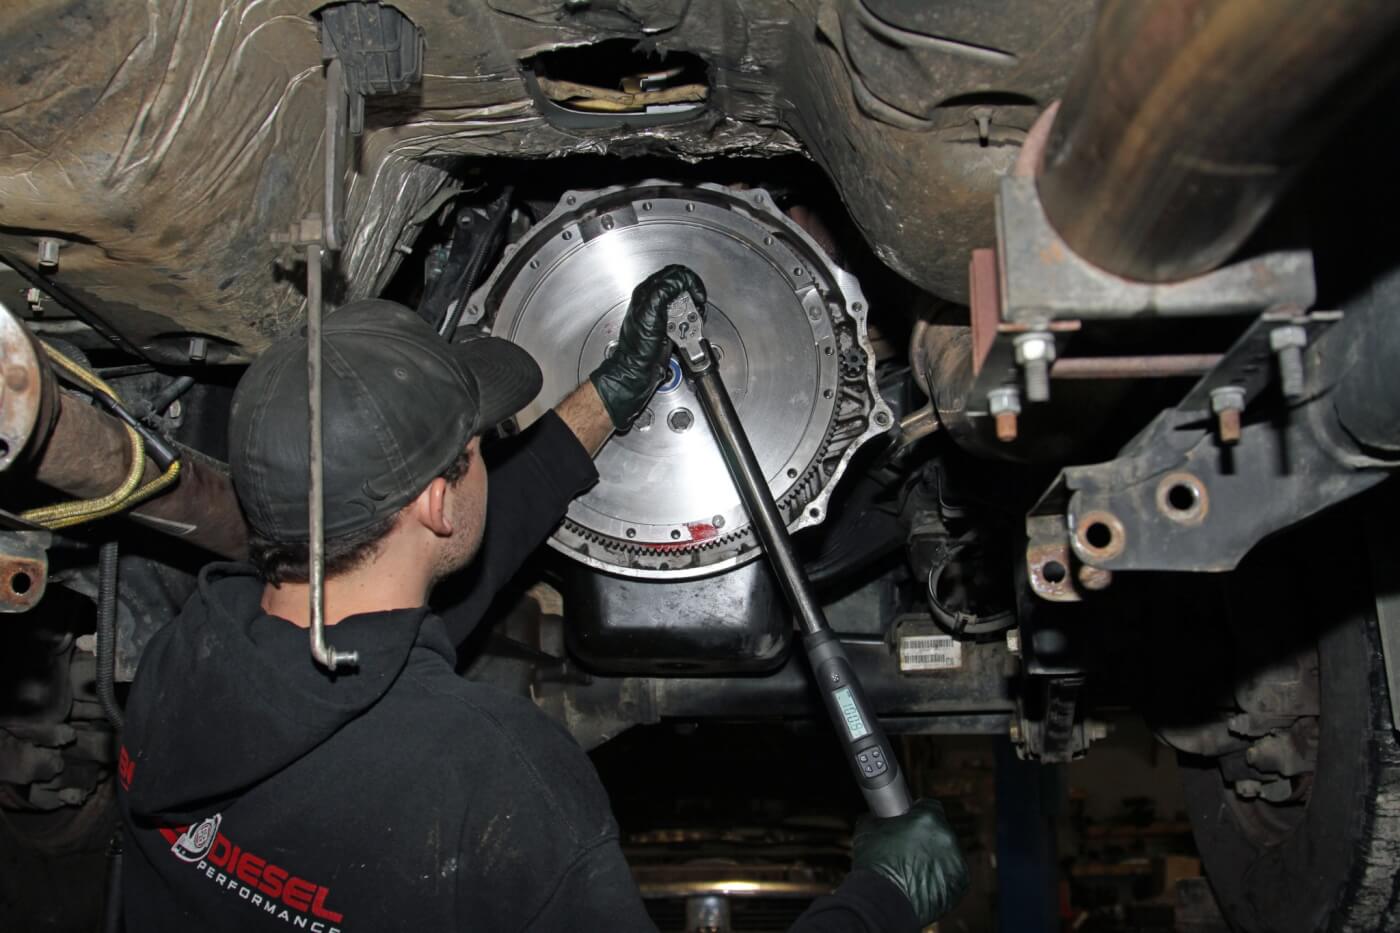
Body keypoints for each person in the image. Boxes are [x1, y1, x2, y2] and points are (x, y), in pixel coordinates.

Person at [115, 266, 968, 931]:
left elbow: (404, 609)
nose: (493, 445)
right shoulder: (498, 783)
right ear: (438, 505)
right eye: (481, 442)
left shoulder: (184, 657)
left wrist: (614, 392)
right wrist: (882, 899)